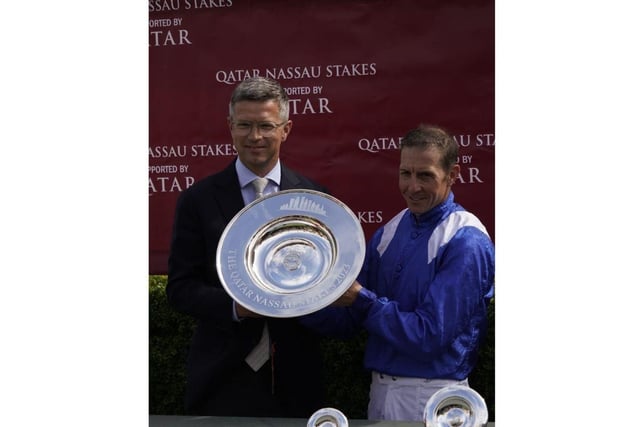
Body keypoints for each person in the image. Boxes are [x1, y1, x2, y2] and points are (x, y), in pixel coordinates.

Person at [302, 124, 495, 422]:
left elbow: (430, 336)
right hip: (380, 393)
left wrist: (362, 300)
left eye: (425, 175)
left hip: (437, 399)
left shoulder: (466, 239)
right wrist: (293, 300)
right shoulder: (388, 232)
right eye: (406, 173)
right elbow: (349, 321)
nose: (413, 186)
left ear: (453, 175)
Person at [166, 76, 329, 417]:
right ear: (230, 127)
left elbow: (326, 288)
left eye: (266, 126)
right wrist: (237, 308)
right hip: (221, 378)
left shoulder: (314, 199)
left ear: (286, 129)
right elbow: (180, 289)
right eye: (245, 125)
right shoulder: (198, 200)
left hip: (298, 379)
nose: (255, 137)